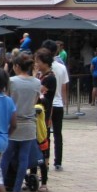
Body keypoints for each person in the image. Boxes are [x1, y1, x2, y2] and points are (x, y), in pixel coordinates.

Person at [2, 52, 42, 192]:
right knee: (23, 158)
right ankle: (17, 190)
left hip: (13, 122)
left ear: (17, 66)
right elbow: (36, 100)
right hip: (29, 123)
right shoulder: (37, 82)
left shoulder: (11, 81)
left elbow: (6, 99)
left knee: (6, 156)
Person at [41, 40, 68, 171]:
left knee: (45, 134)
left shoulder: (43, 69)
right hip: (58, 103)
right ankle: (58, 161)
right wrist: (64, 102)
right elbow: (64, 87)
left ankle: (45, 159)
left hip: (47, 104)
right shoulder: (62, 67)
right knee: (58, 133)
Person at [34, 48, 56, 191]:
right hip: (40, 115)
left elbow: (38, 92)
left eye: (38, 61)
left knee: (43, 145)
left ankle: (44, 177)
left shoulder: (49, 78)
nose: (36, 63)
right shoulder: (44, 76)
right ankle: (37, 175)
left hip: (42, 115)